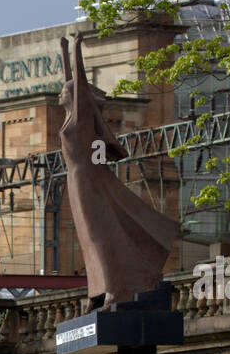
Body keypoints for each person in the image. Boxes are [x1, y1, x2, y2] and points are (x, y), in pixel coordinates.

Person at [58, 32, 179, 311]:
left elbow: (79, 83)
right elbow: (71, 82)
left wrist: (76, 49)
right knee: (88, 238)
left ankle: (114, 289)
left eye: (66, 91)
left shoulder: (80, 119)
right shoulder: (69, 117)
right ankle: (97, 292)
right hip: (76, 182)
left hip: (88, 179)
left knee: (100, 234)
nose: (61, 92)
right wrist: (63, 51)